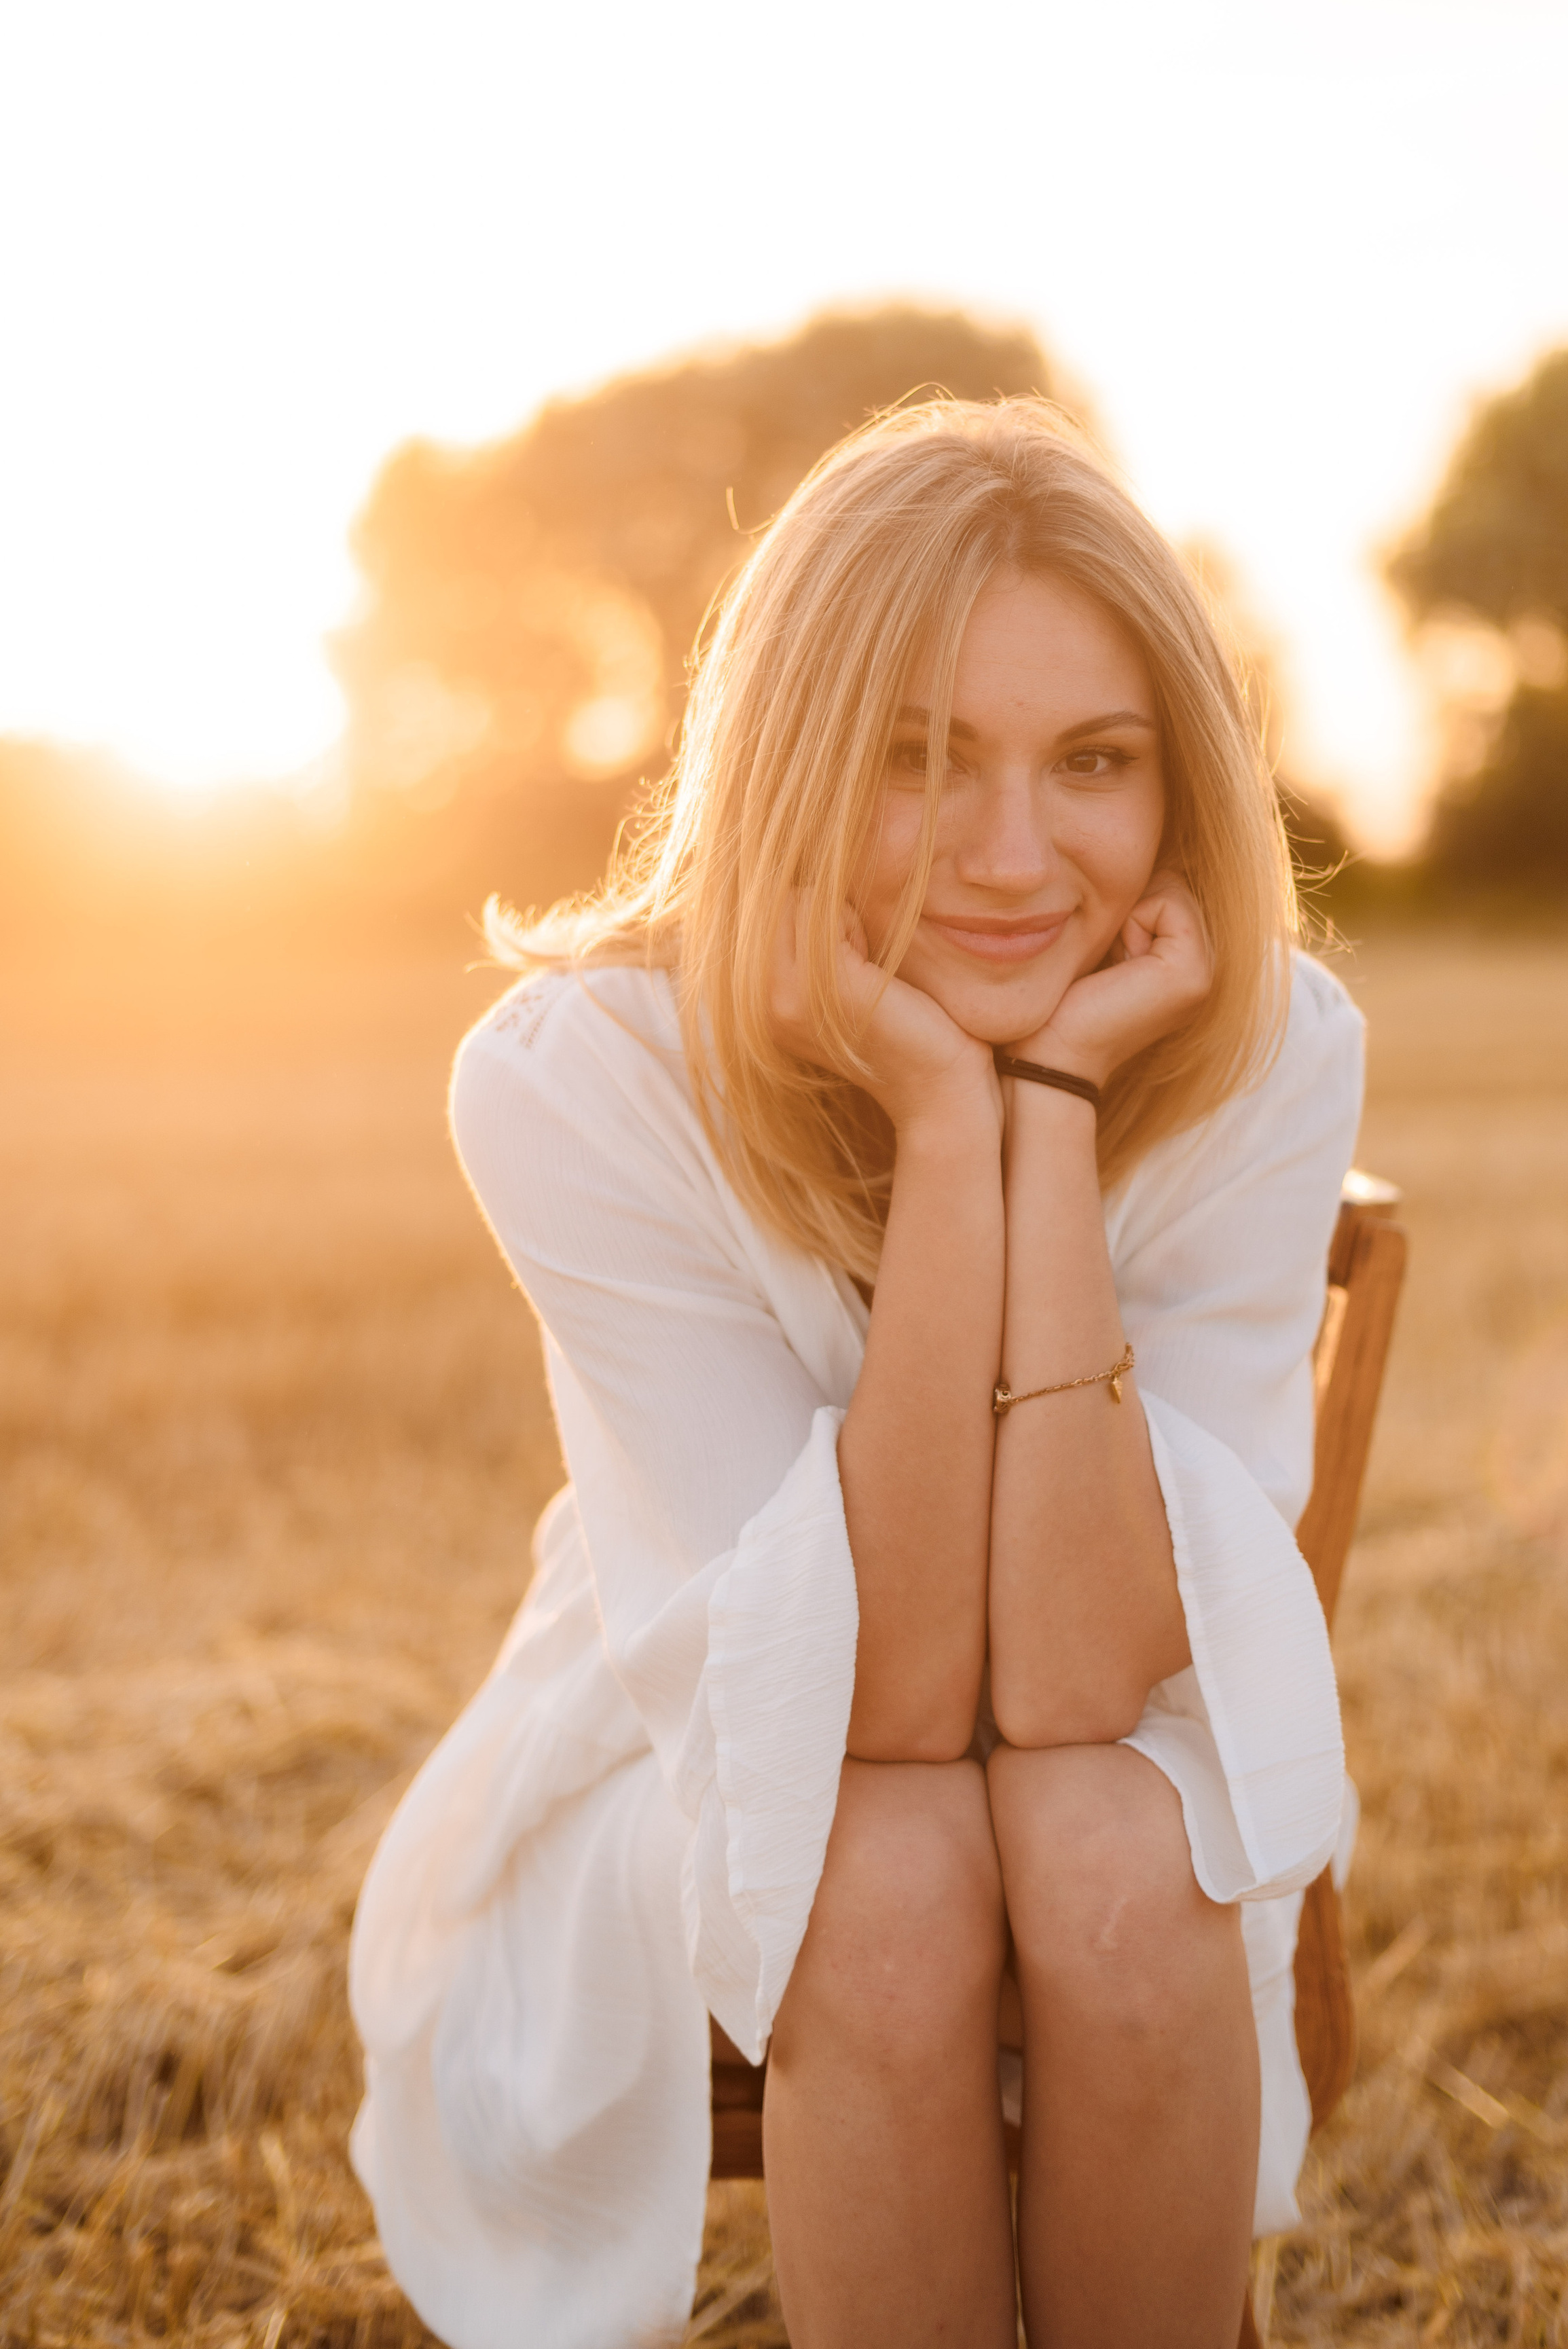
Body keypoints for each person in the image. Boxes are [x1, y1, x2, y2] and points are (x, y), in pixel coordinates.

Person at [348, 398, 1364, 2349]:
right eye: (915, 760)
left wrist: (1048, 1111)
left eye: (1092, 762)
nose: (1009, 855)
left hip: (1124, 1690)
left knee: (1118, 1844)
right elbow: (879, 1707)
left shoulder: (1270, 1047)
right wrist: (947, 1126)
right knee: (881, 1873)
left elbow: (1074, 1677)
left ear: (1179, 787)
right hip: (689, 1731)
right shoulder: (580, 1081)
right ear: (795, 757)